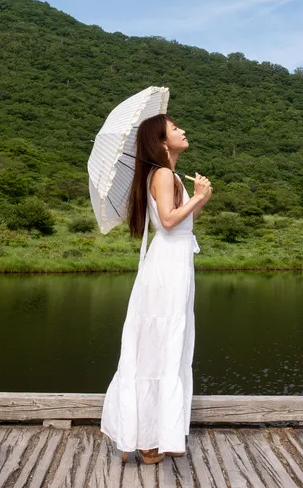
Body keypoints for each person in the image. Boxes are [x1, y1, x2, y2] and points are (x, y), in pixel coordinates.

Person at [100, 114, 213, 464]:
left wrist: (200, 199)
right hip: (167, 268)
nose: (183, 130)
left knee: (161, 345)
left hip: (174, 264)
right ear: (162, 142)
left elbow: (181, 223)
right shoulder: (163, 174)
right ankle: (147, 439)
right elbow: (167, 221)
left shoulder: (167, 175)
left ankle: (145, 436)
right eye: (175, 128)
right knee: (159, 346)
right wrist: (198, 196)